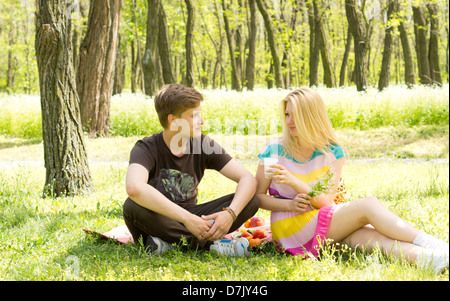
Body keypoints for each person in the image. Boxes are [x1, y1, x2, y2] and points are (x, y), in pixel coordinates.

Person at [255, 87, 449, 274]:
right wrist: (290, 201)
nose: (289, 121)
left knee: (373, 239)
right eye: (287, 115)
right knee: (368, 205)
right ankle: (434, 243)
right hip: (290, 228)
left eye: (295, 115)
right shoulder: (274, 150)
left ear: (312, 115)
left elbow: (324, 201)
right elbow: (258, 197)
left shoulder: (333, 152)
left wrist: (294, 181)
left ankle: (431, 258)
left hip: (325, 222)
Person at [123, 84, 259, 257]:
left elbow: (247, 178)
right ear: (173, 120)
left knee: (250, 200)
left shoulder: (203, 144)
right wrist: (186, 219)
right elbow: (134, 187)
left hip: (193, 218)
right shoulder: (146, 148)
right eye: (194, 116)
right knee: (132, 205)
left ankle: (169, 245)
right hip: (159, 218)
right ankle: (211, 246)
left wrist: (230, 215)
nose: (202, 121)